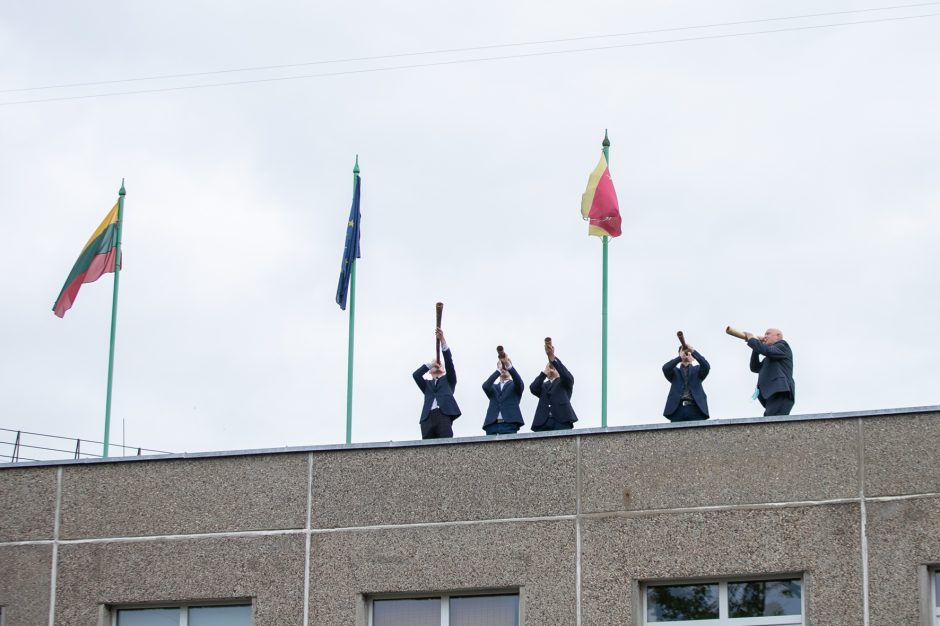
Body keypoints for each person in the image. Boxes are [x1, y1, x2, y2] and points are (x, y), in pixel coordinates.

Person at [412, 329, 461, 439]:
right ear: (429, 371)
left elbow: (449, 362)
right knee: (427, 448)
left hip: (443, 414)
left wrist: (442, 340)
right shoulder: (427, 385)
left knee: (446, 444)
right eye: (435, 364)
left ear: (443, 370)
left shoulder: (449, 380)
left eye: (439, 364)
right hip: (427, 417)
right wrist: (431, 364)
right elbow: (416, 375)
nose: (437, 365)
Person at [744, 328, 795, 416]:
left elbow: (767, 351)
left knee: (773, 423)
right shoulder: (769, 358)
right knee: (769, 421)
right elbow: (754, 367)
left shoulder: (783, 345)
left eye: (768, 334)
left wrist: (752, 339)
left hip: (781, 392)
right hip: (771, 394)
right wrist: (756, 348)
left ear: (777, 337)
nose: (765, 336)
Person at [530, 342, 578, 432]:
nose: (551, 369)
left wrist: (552, 358)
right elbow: (533, 388)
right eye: (549, 367)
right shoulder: (543, 385)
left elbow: (566, 375)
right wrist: (544, 373)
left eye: (554, 368)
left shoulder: (564, 382)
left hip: (562, 420)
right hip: (543, 421)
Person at [662, 345, 710, 421]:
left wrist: (693, 351)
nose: (686, 353)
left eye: (688, 352)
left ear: (693, 357)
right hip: (677, 410)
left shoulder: (697, 370)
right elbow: (665, 368)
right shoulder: (674, 371)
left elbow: (706, 366)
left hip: (696, 409)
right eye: (683, 351)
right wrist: (679, 358)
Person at [481, 352, 525, 435]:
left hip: (509, 424)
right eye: (501, 365)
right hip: (492, 424)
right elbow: (485, 386)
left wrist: (508, 365)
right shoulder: (493, 387)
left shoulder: (514, 385)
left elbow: (519, 383)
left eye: (506, 366)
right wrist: (498, 370)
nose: (504, 368)